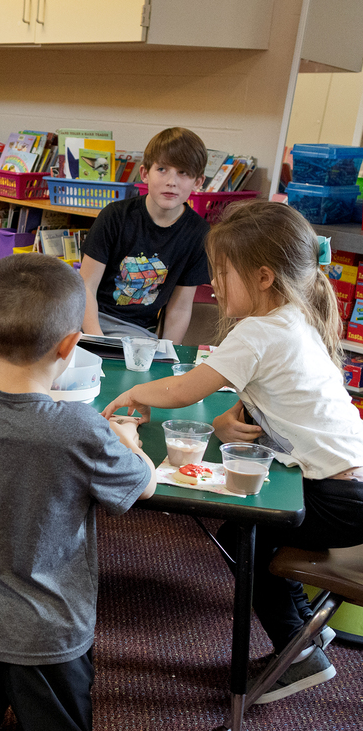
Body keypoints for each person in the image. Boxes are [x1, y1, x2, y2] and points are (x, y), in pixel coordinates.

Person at [101, 200, 363, 703]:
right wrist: (227, 420)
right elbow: (270, 393)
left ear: (264, 277)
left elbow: (183, 391)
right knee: (243, 532)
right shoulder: (294, 317)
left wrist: (134, 395)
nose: (213, 285)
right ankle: (303, 632)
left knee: (250, 538)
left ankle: (301, 650)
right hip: (351, 487)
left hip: (337, 499)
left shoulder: (257, 332)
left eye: (223, 273)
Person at [0, 253, 156, 731]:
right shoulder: (81, 429)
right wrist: (131, 444)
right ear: (70, 345)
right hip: (49, 633)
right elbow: (143, 485)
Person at [79, 127, 211, 343]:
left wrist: (168, 353)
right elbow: (85, 286)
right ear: (144, 174)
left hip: (136, 331)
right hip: (88, 318)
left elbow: (180, 308)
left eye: (183, 173)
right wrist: (98, 342)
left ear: (198, 182)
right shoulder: (115, 216)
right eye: (162, 169)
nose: (171, 181)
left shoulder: (198, 233)